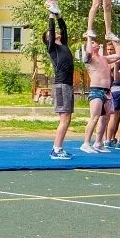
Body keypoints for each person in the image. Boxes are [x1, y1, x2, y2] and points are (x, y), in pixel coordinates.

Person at [79, 36, 120, 153]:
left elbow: (119, 55)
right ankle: (86, 143)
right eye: (92, 43)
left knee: (105, 118)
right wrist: (89, 37)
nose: (95, 43)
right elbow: (88, 52)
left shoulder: (104, 58)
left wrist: (113, 39)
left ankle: (98, 142)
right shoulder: (89, 59)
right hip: (96, 90)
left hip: (107, 91)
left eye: (95, 42)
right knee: (94, 117)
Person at [43, 13, 74, 159]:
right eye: (51, 33)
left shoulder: (64, 44)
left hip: (67, 85)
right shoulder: (52, 48)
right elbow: (52, 29)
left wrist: (59, 16)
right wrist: (50, 16)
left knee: (67, 118)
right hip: (61, 86)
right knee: (64, 119)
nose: (55, 33)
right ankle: (56, 150)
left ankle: (58, 148)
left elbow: (64, 28)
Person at [104, 37, 120, 147]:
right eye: (108, 50)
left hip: (117, 88)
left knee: (117, 117)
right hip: (114, 88)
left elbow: (115, 76)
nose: (110, 51)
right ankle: (110, 139)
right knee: (114, 116)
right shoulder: (109, 61)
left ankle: (112, 139)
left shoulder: (118, 59)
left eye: (111, 49)